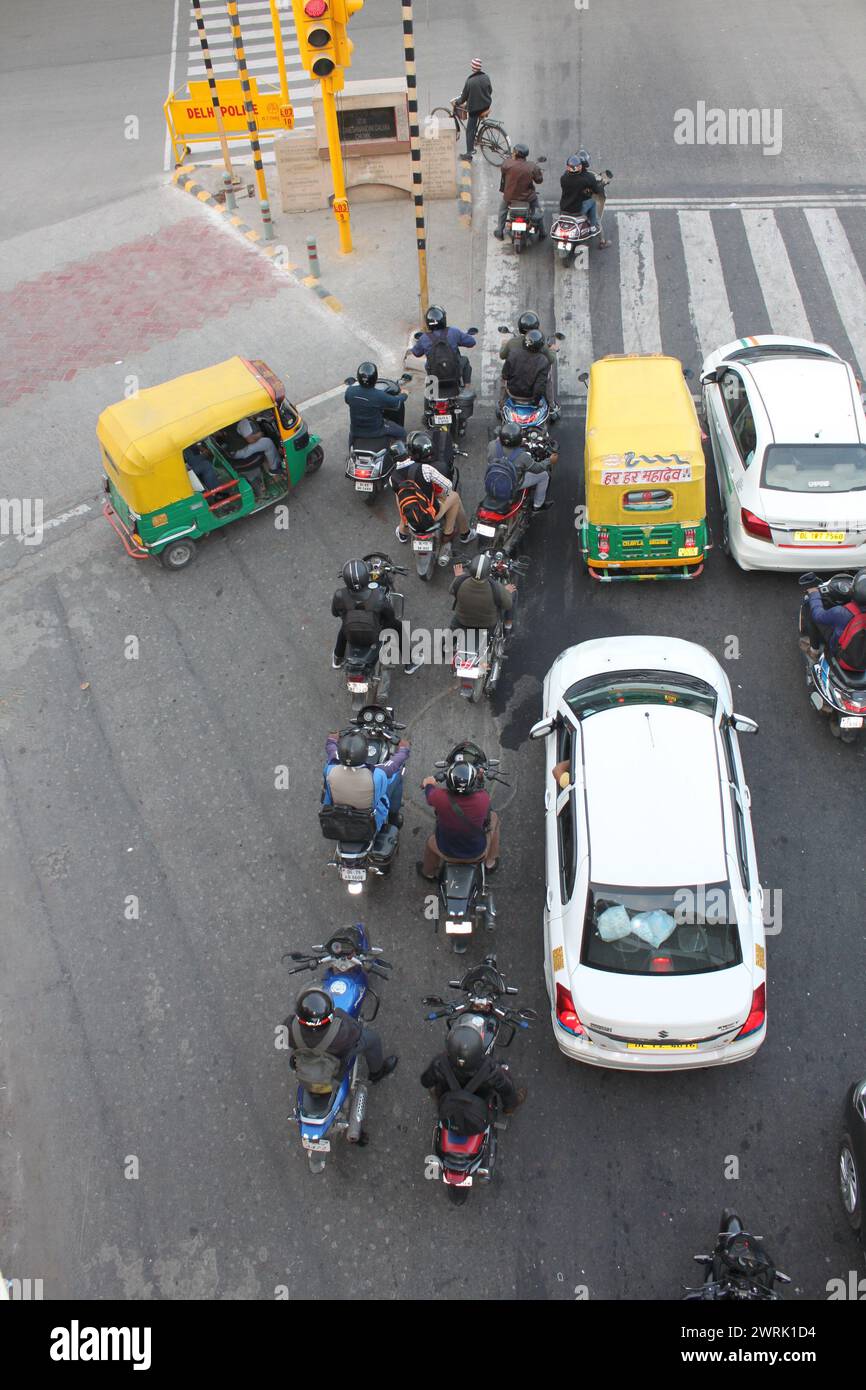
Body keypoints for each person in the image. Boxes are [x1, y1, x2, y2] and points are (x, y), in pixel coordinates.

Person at [287, 986, 397, 1089]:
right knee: (373, 1040)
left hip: (306, 1057)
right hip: (334, 1064)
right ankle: (377, 1073)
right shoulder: (342, 1034)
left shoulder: (288, 1026)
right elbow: (357, 1031)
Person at [391, 431, 475, 566]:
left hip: (411, 515)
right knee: (454, 496)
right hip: (431, 514)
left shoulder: (393, 477)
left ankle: (402, 531)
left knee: (400, 495)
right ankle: (451, 533)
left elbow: (400, 499)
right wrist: (442, 495)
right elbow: (447, 485)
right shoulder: (425, 469)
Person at [331, 558, 420, 675]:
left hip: (351, 634)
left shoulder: (339, 595)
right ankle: (410, 663)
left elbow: (335, 613)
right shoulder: (378, 596)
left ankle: (337, 659)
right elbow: (390, 617)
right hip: (374, 635)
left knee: (344, 627)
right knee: (399, 628)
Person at [421, 1024, 526, 1119]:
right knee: (505, 1073)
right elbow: (507, 1091)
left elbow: (425, 1081)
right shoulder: (491, 1070)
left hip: (449, 1098)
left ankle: (440, 1100)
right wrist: (510, 1104)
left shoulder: (440, 1063)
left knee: (435, 1089)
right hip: (478, 1103)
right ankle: (509, 1110)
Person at [418, 758, 501, 879]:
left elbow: (429, 792)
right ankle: (490, 862)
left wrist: (429, 782)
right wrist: (480, 776)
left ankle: (429, 873)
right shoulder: (483, 799)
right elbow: (481, 789)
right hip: (477, 853)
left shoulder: (438, 797)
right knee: (494, 818)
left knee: (431, 843)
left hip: (446, 851)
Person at [322, 730, 409, 828]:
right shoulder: (376, 775)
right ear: (365, 753)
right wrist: (403, 749)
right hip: (371, 821)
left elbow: (332, 751)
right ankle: (394, 817)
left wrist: (332, 739)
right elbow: (392, 765)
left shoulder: (330, 769)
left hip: (340, 814)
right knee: (397, 775)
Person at [801, 570, 866, 668]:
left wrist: (814, 593)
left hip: (841, 655)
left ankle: (814, 652)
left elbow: (818, 615)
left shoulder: (840, 612)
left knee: (812, 614)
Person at [485, 419, 552, 512]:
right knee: (544, 475)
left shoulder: (491, 445)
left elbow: (498, 443)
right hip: (514, 484)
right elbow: (537, 468)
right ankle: (537, 505)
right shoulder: (522, 456)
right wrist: (549, 461)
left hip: (494, 478)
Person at [410, 305, 476, 387]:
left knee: (427, 364)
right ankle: (467, 387)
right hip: (454, 372)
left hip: (434, 374)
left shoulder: (424, 338)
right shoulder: (454, 332)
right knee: (465, 360)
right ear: (443, 319)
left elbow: (416, 353)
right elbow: (472, 342)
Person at [451, 553, 516, 635]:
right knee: (513, 592)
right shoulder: (497, 588)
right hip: (487, 624)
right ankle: (508, 625)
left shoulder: (460, 581)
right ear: (488, 572)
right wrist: (506, 591)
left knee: (447, 641)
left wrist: (458, 576)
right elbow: (508, 605)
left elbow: (452, 591)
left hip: (462, 621)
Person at [345, 362, 407, 444]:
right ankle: (402, 455)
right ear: (375, 378)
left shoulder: (350, 391)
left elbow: (347, 401)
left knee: (351, 437)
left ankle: (351, 451)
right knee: (402, 433)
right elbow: (396, 401)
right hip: (376, 431)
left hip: (356, 431)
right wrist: (404, 394)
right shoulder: (379, 395)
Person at [559, 151, 610, 248]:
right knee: (592, 202)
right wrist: (602, 184)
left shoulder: (563, 178)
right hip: (578, 209)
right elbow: (596, 190)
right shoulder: (588, 178)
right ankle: (594, 229)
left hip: (564, 207)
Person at [494, 144, 544, 240]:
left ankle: (499, 231)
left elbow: (503, 172)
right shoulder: (532, 166)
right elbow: (539, 181)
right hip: (528, 198)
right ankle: (542, 233)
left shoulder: (507, 164)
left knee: (503, 211)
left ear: (516, 154)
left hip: (510, 197)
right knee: (537, 210)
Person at [502, 329, 551, 405]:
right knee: (548, 380)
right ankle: (552, 406)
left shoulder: (513, 353)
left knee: (502, 381)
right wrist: (536, 402)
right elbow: (539, 387)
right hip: (530, 396)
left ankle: (501, 403)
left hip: (512, 392)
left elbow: (505, 375)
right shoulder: (543, 361)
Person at [455, 58, 492, 158]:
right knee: (473, 125)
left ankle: (469, 152)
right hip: (486, 105)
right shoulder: (486, 77)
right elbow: (490, 90)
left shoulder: (470, 81)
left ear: (473, 67)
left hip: (475, 110)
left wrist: (457, 103)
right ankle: (474, 141)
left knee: (470, 130)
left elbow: (463, 98)